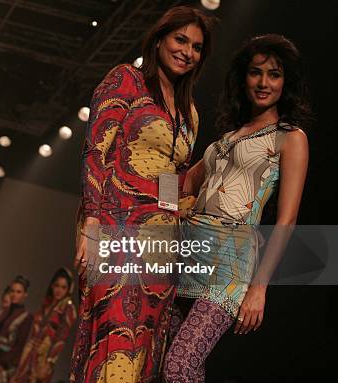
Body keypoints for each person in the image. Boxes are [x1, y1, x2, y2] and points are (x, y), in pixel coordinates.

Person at [72, 6, 215, 382]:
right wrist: (90, 222)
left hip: (160, 244)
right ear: (159, 38)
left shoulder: (190, 113)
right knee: (113, 338)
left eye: (197, 47)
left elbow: (172, 174)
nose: (187, 51)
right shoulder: (126, 80)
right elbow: (95, 152)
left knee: (144, 347)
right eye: (180, 39)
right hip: (117, 227)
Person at [163, 34, 311, 382]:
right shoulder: (226, 139)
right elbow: (177, 178)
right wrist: (172, 206)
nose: (263, 82)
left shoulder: (290, 138)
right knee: (172, 367)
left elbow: (287, 220)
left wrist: (259, 287)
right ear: (243, 77)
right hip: (187, 252)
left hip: (229, 265)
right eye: (255, 72)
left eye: (274, 74)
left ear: (285, 81)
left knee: (178, 367)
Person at [11, 268, 77, 383]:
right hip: (29, 354)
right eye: (57, 285)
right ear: (52, 286)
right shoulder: (46, 305)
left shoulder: (68, 308)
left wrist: (50, 361)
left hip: (44, 358)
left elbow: (62, 337)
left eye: (63, 287)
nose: (59, 290)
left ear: (68, 289)